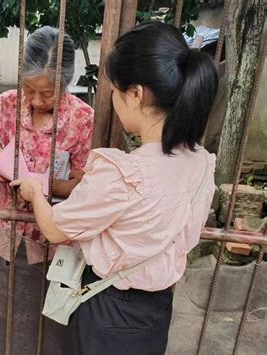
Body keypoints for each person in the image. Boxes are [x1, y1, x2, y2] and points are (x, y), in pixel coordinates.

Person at [11, 22, 218, 354]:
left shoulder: (123, 173)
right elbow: (186, 237)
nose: (113, 98)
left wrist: (36, 191)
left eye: (116, 90)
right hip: (158, 310)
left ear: (136, 94)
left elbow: (53, 228)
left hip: (108, 310)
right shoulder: (202, 164)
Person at [0, 26, 94, 354]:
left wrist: (41, 186)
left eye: (48, 94)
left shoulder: (82, 118)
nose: (37, 100)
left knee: (46, 327)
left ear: (66, 83)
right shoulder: (7, 104)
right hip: (5, 230)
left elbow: (82, 183)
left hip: (53, 237)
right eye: (29, 89)